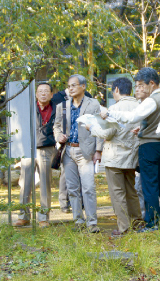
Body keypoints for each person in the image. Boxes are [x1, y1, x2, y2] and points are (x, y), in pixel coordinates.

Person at [102, 67, 160, 232]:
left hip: (149, 145)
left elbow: (131, 117)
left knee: (149, 185)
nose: (139, 89)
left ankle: (152, 222)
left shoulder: (153, 99)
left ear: (151, 83)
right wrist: (142, 129)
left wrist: (110, 113)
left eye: (142, 85)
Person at [87, 77, 144, 236]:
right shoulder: (139, 106)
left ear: (117, 90)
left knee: (117, 192)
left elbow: (107, 132)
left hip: (115, 156)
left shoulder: (115, 108)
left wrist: (91, 127)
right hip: (133, 155)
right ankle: (137, 222)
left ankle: (123, 226)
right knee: (131, 191)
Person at [53, 74, 103, 233]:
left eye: (74, 85)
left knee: (88, 187)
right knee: (72, 188)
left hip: (85, 151)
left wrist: (98, 150)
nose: (71, 88)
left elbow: (99, 126)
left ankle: (92, 223)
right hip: (67, 151)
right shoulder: (63, 106)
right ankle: (78, 221)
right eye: (69, 86)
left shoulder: (93, 104)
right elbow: (57, 126)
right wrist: (58, 136)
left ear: (83, 86)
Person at [14, 82, 56, 228]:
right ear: (36, 94)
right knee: (25, 183)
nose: (43, 93)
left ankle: (43, 217)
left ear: (51, 94)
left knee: (45, 183)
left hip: (47, 148)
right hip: (28, 148)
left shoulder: (57, 108)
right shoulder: (29, 108)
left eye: (46, 91)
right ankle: (23, 216)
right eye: (40, 91)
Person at [52, 88, 92, 213]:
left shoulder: (88, 98)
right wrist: (58, 137)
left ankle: (83, 205)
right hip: (66, 144)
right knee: (66, 177)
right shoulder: (58, 99)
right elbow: (56, 124)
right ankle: (64, 204)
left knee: (85, 180)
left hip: (83, 146)